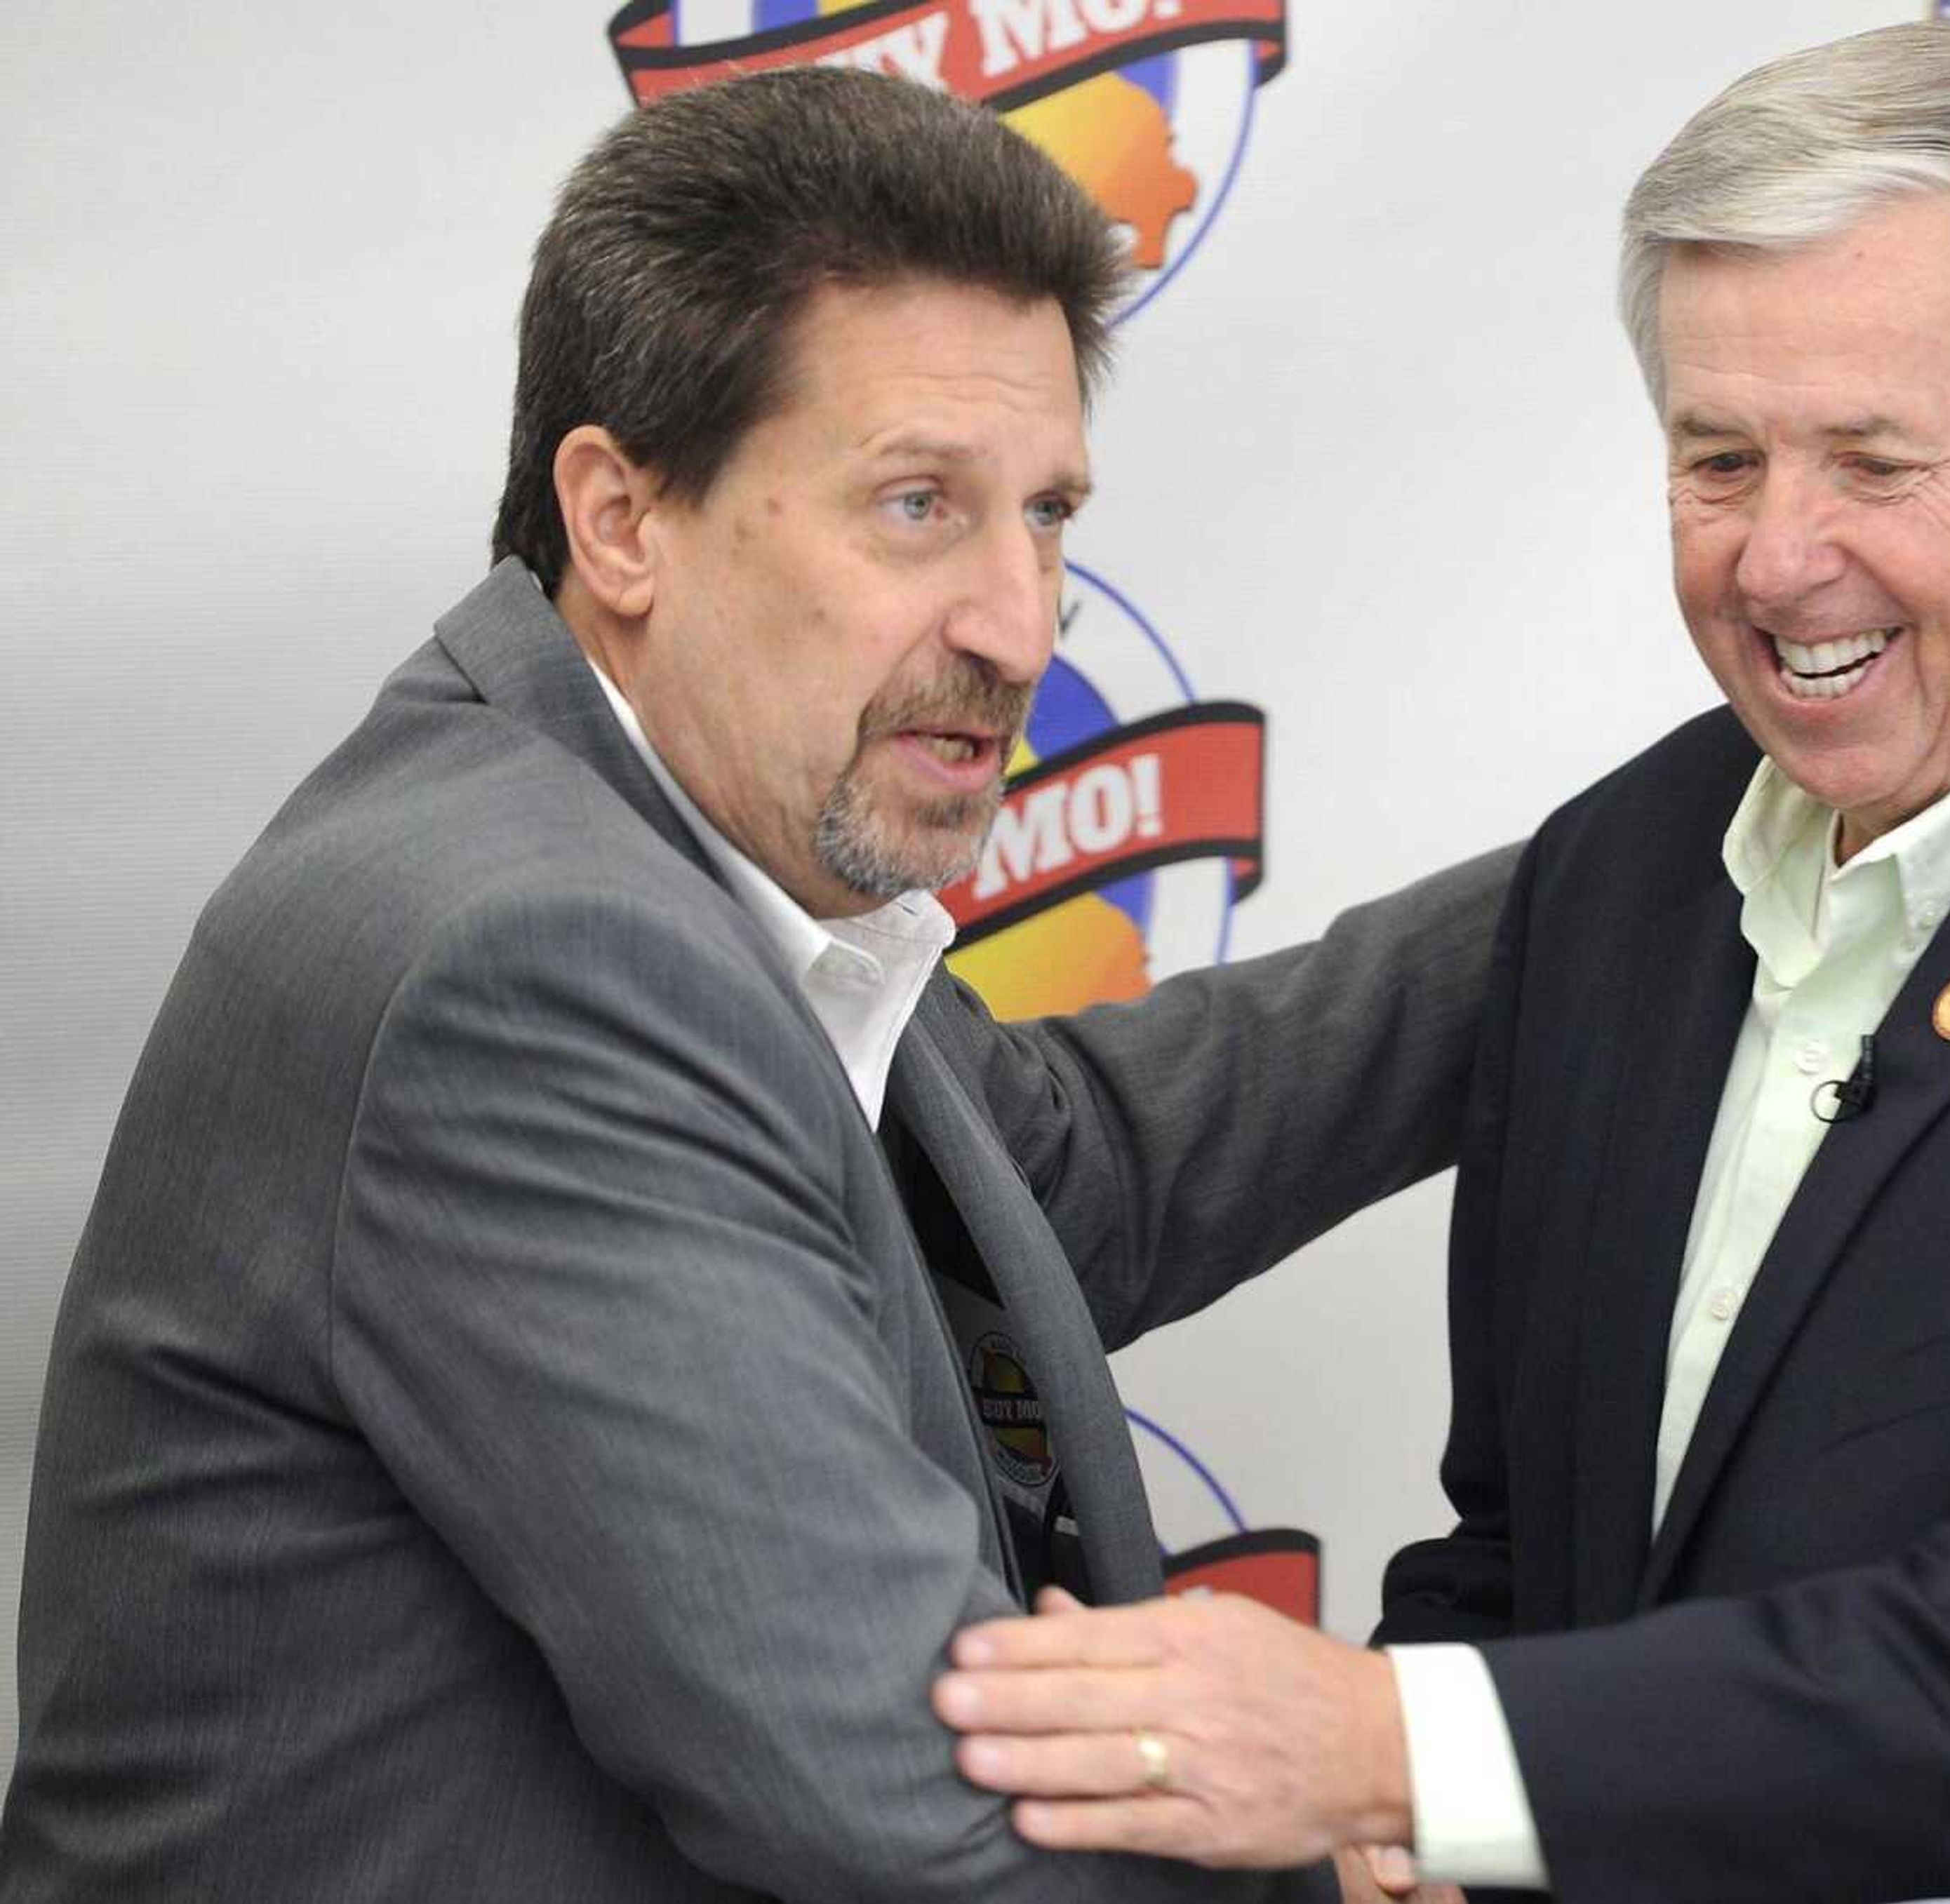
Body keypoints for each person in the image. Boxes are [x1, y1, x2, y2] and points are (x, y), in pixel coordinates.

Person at [930, 22, 1950, 1903]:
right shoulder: (1618, 880)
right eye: (1719, 458)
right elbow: (1533, 1557)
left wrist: (1395, 1749)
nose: (1780, 559)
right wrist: (1419, 1806)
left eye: (1872, 462)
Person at [0, 68, 1505, 1904]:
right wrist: (1334, 1866)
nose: (1020, 622)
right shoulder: (528, 953)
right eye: (915, 508)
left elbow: (1071, 1172)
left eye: (1043, 514)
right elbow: (904, 1800)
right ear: (623, 520)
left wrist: (1627, 883)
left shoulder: (672, 850)